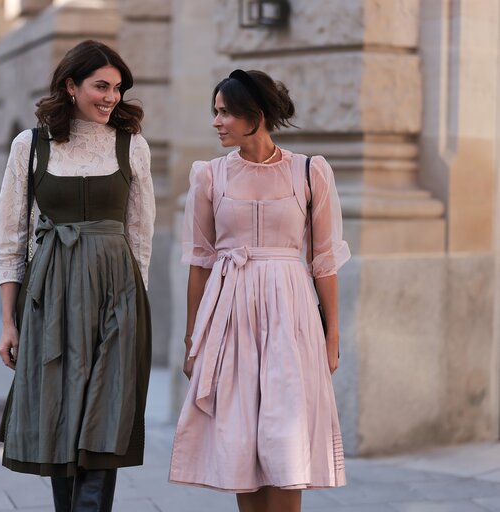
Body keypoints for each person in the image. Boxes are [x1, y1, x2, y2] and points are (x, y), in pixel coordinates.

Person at [169, 69, 350, 512]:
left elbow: (324, 262)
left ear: (258, 115)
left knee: (286, 435)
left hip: (291, 316)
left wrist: (332, 337)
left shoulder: (310, 172)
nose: (217, 122)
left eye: (226, 112)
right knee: (239, 434)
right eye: (215, 112)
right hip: (230, 315)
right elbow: (200, 263)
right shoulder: (208, 177)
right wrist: (193, 340)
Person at [0, 40, 155, 512]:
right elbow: (10, 237)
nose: (111, 97)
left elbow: (141, 235)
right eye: (100, 86)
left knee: (107, 415)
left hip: (117, 294)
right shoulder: (31, 145)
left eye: (118, 88)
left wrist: (135, 307)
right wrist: (8, 322)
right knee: (58, 416)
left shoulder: (133, 146)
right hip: (51, 294)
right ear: (71, 85)